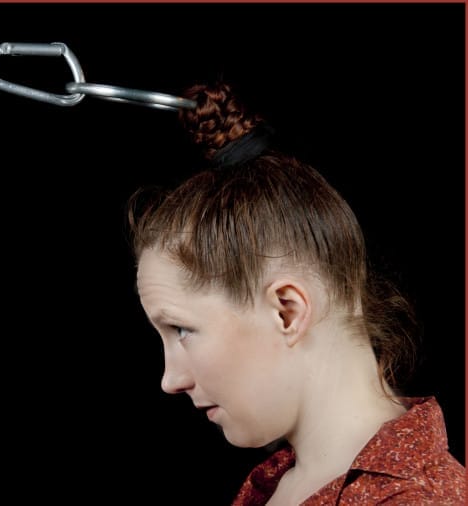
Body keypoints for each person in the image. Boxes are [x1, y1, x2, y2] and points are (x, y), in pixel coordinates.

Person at [128, 82, 466, 504]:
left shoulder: (421, 499)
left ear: (287, 311)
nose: (170, 380)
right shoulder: (276, 483)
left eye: (182, 329)